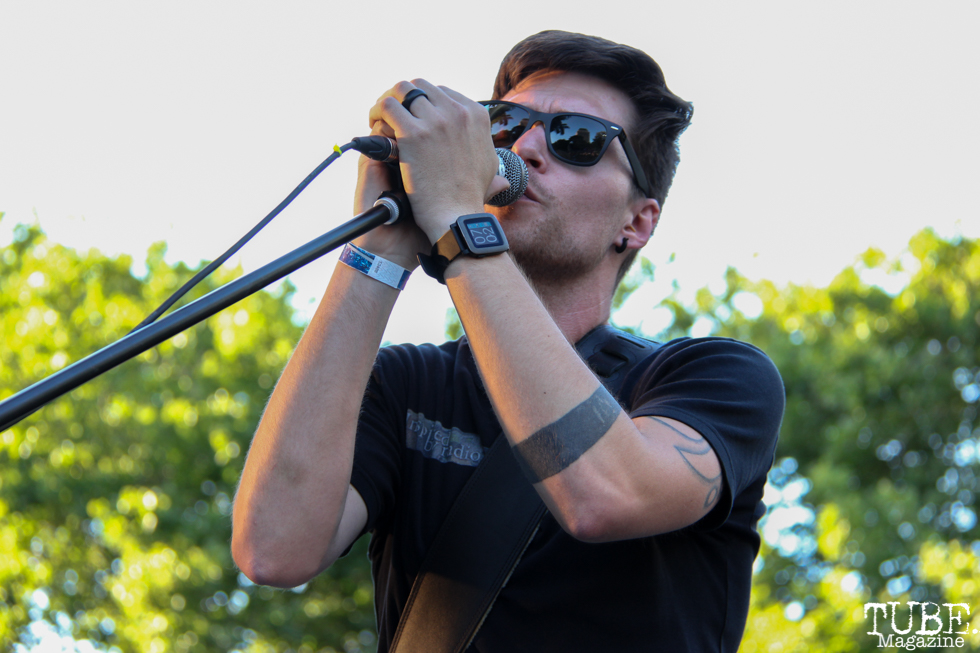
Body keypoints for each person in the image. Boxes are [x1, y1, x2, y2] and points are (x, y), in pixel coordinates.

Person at [232, 30, 785, 652]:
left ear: (636, 222)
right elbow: (273, 550)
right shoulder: (407, 385)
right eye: (506, 124)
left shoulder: (714, 377)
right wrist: (376, 251)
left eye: (576, 138)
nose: (525, 147)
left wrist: (459, 225)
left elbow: (604, 495)